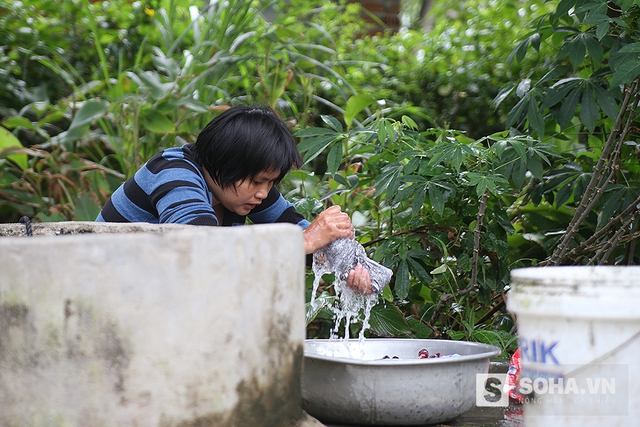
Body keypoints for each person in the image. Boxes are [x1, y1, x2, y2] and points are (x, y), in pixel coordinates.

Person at [96, 105, 373, 294]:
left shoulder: (238, 187)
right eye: (256, 181)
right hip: (104, 286)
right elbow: (201, 252)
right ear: (227, 163)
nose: (263, 193)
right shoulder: (174, 173)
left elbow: (295, 229)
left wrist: (350, 266)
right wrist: (304, 242)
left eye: (270, 182)